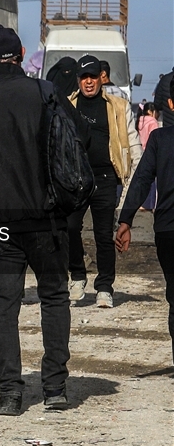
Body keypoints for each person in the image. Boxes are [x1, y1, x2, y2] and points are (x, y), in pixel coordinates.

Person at [0, 25, 82, 416]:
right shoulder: (45, 93)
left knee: (3, 306)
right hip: (47, 216)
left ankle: (10, 394)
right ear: (22, 53)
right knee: (54, 298)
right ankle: (55, 388)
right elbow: (79, 139)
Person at [66, 55, 142, 308]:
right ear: (78, 80)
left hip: (106, 177)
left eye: (93, 77)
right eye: (83, 77)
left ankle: (104, 287)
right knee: (69, 227)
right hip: (76, 179)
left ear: (101, 78)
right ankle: (77, 276)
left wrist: (136, 173)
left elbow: (131, 142)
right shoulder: (67, 106)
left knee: (103, 234)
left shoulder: (118, 106)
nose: (88, 82)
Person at [116, 76, 174, 365]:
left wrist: (125, 220)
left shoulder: (161, 140)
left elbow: (141, 181)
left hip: (167, 230)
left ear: (171, 104)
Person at [137, 103, 160, 210]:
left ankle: (140, 203)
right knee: (152, 181)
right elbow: (155, 138)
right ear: (151, 111)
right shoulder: (153, 121)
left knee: (142, 179)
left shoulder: (139, 120)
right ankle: (149, 204)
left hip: (140, 151)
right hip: (151, 152)